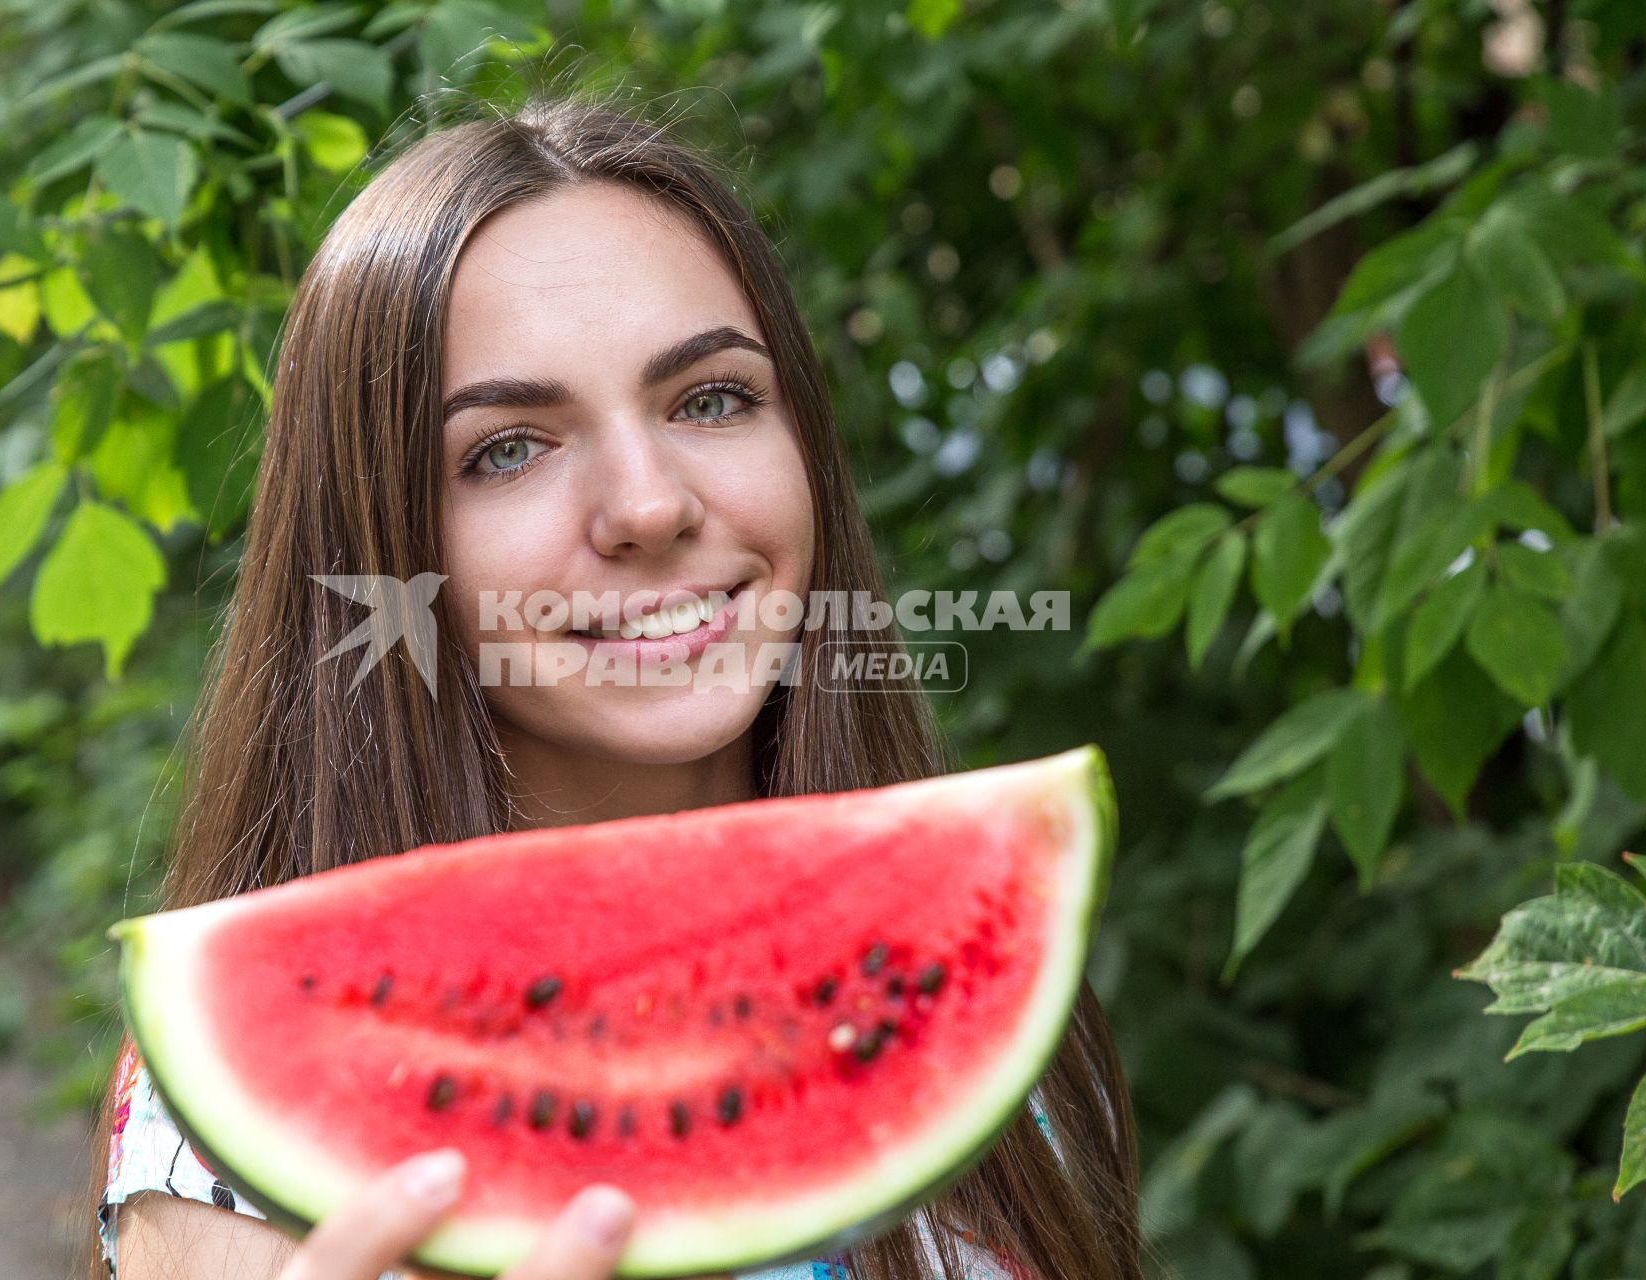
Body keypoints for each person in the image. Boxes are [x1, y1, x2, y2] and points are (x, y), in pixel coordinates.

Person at [88, 89, 1141, 1280]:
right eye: (508, 449)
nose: (648, 505)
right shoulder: (225, 1149)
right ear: (379, 549)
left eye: (712, 398)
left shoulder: (958, 978)